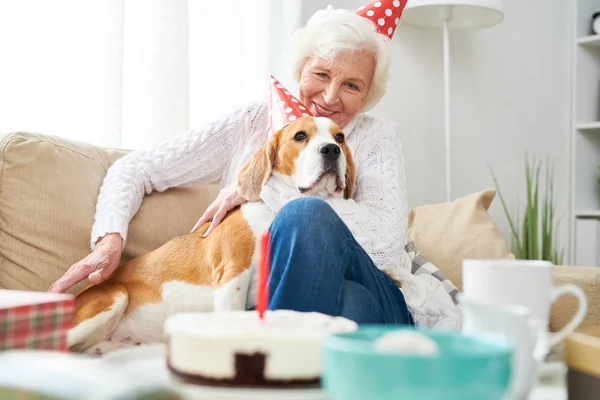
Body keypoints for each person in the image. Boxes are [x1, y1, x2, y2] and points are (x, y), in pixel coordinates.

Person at [49, 0, 462, 329]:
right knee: (343, 310)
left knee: (308, 217)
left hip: (377, 290)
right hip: (299, 308)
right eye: (321, 73)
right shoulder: (251, 122)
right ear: (300, 68)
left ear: (368, 94)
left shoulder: (376, 137)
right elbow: (135, 169)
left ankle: (269, 367)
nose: (332, 97)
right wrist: (108, 241)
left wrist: (261, 185)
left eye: (352, 85)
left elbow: (386, 244)